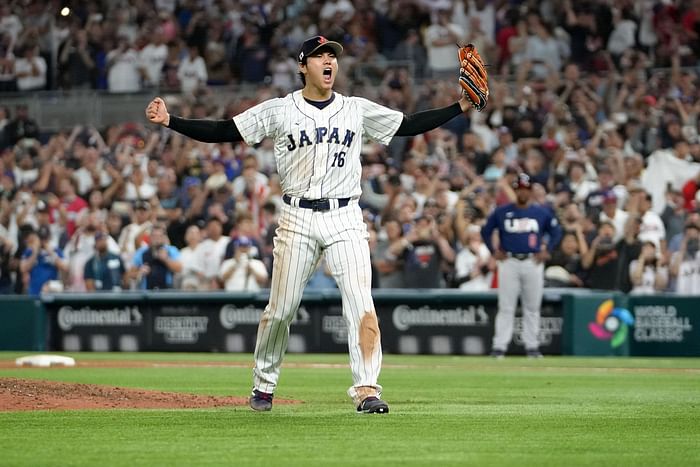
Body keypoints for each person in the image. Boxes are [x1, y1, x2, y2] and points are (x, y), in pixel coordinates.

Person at [146, 35, 477, 413]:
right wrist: (170, 121)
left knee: (360, 303)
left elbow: (408, 124)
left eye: (332, 56)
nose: (329, 61)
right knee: (281, 309)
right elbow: (224, 130)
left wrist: (460, 105)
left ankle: (367, 388)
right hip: (297, 216)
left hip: (345, 216)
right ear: (303, 66)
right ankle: (264, 384)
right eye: (320, 56)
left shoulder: (355, 109)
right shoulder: (280, 110)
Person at [481, 173, 563, 358]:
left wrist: (547, 248)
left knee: (532, 306)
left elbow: (556, 231)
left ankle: (532, 347)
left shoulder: (540, 212)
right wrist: (494, 251)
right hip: (508, 261)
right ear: (515, 190)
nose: (522, 192)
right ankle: (499, 347)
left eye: (525, 189)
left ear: (530, 191)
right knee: (506, 306)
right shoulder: (502, 212)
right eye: (519, 188)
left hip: (532, 261)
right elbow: (486, 231)